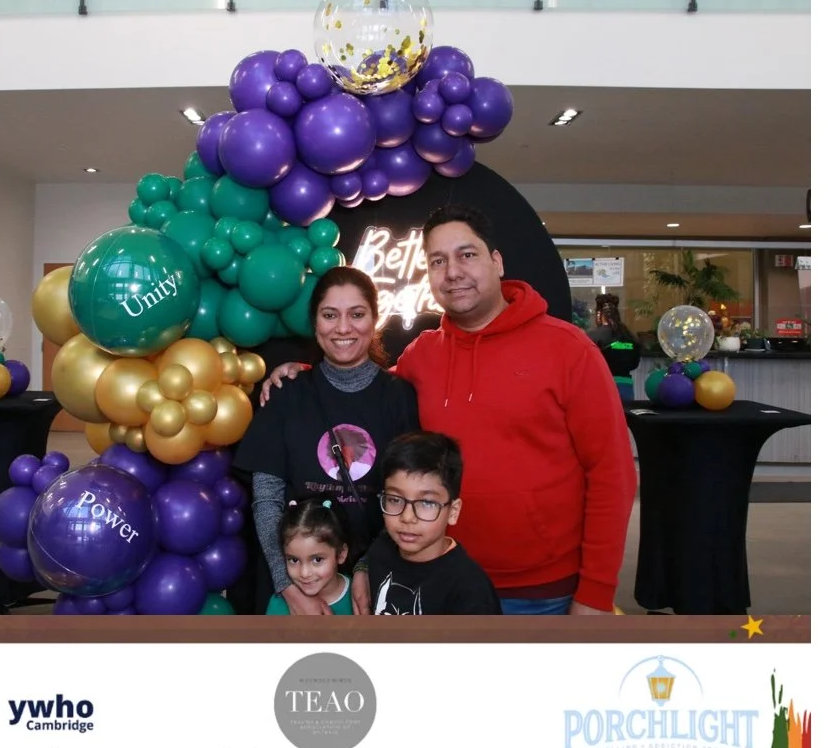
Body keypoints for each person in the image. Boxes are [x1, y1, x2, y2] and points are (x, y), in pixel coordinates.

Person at [263, 204, 636, 615]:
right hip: (432, 579)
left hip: (541, 593)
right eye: (438, 261)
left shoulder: (569, 349)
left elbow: (612, 474)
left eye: (467, 254)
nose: (453, 271)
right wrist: (301, 374)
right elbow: (358, 384)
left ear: (497, 261)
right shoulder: (423, 355)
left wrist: (596, 593)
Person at [234, 265, 420, 616]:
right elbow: (267, 498)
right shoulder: (286, 393)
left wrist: (367, 569)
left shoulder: (398, 397)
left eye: (357, 314)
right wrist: (287, 585)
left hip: (376, 581)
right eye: (330, 315)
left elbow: (406, 498)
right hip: (294, 583)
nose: (343, 328)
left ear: (375, 319)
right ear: (315, 322)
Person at [368, 431, 501, 615]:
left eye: (427, 503)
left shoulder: (469, 589)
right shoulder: (379, 551)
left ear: (453, 512)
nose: (407, 517)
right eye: (395, 499)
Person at [264, 499, 354, 616]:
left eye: (317, 559)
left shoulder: (361, 594)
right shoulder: (279, 604)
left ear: (341, 554)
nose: (304, 573)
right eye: (294, 560)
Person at [589, 293, 643, 402]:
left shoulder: (593, 336)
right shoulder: (629, 336)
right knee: (625, 418)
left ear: (599, 314)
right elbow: (635, 363)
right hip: (626, 386)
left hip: (602, 386)